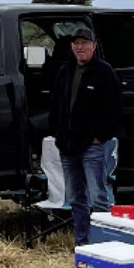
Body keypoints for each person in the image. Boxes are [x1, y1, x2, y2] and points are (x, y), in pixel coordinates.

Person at [48, 26, 122, 245]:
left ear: (93, 46)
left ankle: (104, 243)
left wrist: (100, 136)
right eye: (76, 43)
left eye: (84, 43)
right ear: (71, 47)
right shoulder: (64, 71)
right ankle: (82, 241)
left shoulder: (104, 72)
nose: (80, 47)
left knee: (98, 196)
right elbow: (54, 105)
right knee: (75, 198)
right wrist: (57, 132)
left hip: (92, 146)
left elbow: (115, 109)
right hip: (67, 146)